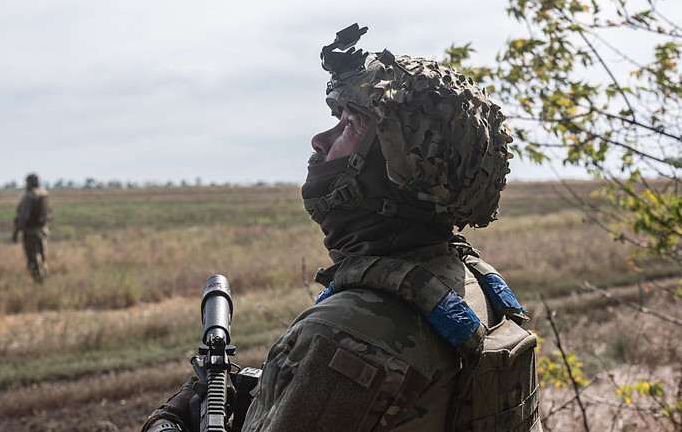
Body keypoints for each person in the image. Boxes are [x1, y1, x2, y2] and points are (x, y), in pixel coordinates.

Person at [142, 24, 540, 432]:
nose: (320, 140)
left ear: (398, 164)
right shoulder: (470, 287)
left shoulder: (347, 334)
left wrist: (171, 421)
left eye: (351, 124)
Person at [12, 173, 51, 284]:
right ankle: (44, 280)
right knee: (43, 259)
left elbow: (24, 216)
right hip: (42, 231)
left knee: (33, 261)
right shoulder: (44, 194)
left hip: (30, 232)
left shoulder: (30, 196)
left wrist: (16, 232)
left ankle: (39, 284)